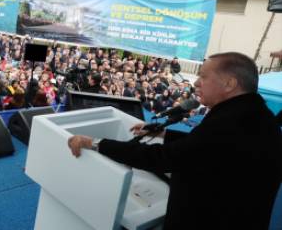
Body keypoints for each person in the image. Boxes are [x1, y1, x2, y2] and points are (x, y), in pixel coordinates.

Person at [68, 52, 282, 229]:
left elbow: (164, 158)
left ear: (229, 83)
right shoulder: (254, 114)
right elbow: (208, 148)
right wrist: (163, 133)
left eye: (204, 76)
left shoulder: (229, 121)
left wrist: (95, 143)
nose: (196, 83)